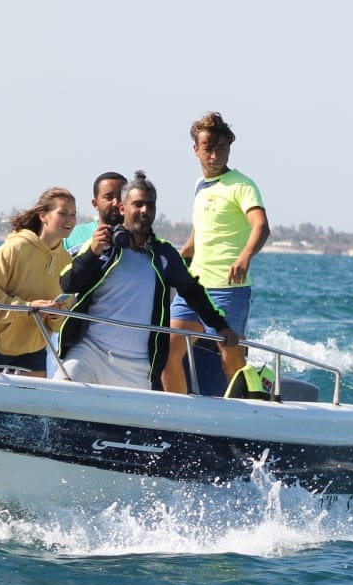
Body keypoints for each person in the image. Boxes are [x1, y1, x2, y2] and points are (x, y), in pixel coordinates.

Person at [57, 170, 239, 390]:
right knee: (58, 392)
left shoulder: (164, 254)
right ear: (123, 208)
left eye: (150, 205)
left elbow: (193, 291)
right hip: (90, 352)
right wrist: (93, 253)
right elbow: (68, 284)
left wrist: (221, 326)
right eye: (138, 204)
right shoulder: (101, 245)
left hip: (138, 366)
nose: (144, 210)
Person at [164, 111, 269, 394]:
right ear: (196, 149)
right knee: (168, 350)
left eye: (221, 148)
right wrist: (174, 260)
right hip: (195, 288)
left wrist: (245, 255)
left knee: (230, 358)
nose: (215, 155)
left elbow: (261, 227)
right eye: (208, 148)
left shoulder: (242, 185)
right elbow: (200, 233)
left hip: (229, 289)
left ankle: (246, 412)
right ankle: (175, 413)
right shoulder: (200, 186)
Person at [0, 187, 76, 376]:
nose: (70, 219)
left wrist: (55, 314)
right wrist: (28, 307)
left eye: (73, 214)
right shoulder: (15, 248)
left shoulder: (67, 261)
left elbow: (65, 309)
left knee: (32, 405)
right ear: (43, 216)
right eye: (63, 213)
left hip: (32, 347)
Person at [62, 171, 126, 254]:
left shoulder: (140, 240)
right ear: (95, 204)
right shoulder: (71, 236)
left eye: (121, 197)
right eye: (108, 197)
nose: (116, 203)